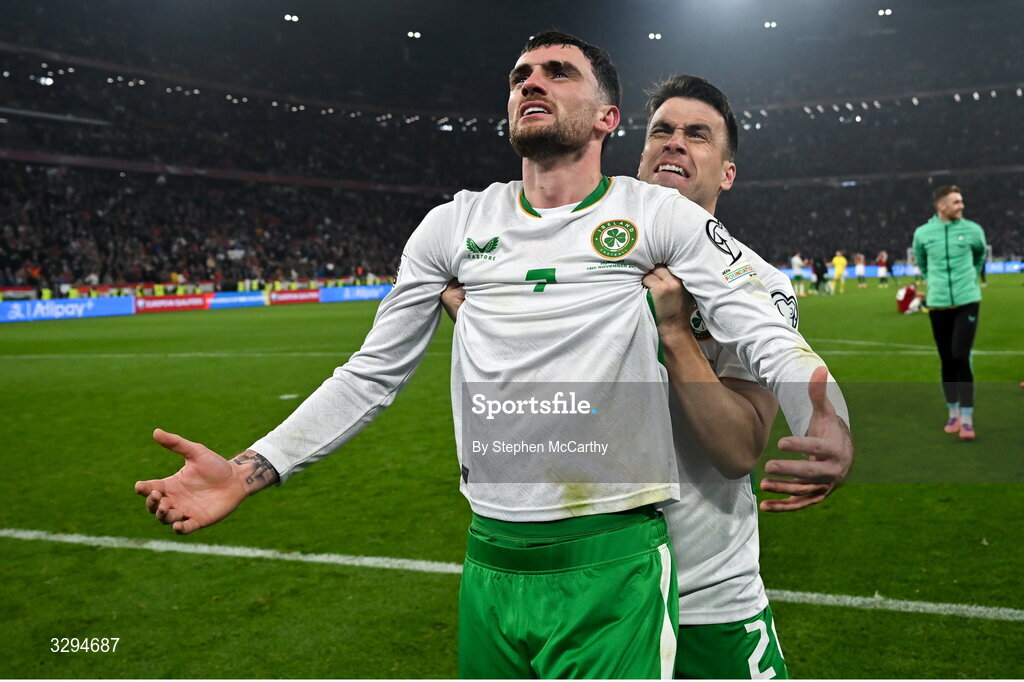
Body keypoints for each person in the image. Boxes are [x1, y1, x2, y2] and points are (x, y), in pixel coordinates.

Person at [136, 32, 850, 679]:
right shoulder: (453, 226)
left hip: (628, 555)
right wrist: (245, 471)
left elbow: (767, 335)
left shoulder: (659, 219)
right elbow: (370, 374)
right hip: (492, 553)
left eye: (558, 73)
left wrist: (824, 414)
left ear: (607, 118)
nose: (532, 82)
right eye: (521, 75)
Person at [443, 74, 853, 679]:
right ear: (636, 158)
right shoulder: (564, 262)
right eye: (662, 130)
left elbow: (739, 449)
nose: (675, 143)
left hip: (707, 595)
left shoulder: (758, 284)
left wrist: (677, 335)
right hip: (590, 587)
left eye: (698, 135)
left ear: (727, 173)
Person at [912, 185, 986, 441]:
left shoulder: (973, 230)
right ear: (941, 206)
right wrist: (936, 284)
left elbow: (979, 258)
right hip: (938, 303)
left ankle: (967, 417)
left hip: (967, 302)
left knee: (960, 356)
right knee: (946, 359)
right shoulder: (923, 234)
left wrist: (969, 281)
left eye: (961, 200)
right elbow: (922, 262)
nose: (961, 205)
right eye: (956, 201)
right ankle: (953, 412)